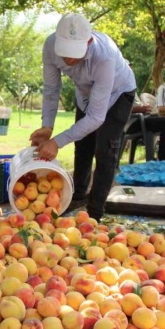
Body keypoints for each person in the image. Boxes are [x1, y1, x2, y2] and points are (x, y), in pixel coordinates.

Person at [29, 13, 137, 221]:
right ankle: (78, 195)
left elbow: (97, 118)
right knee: (83, 144)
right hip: (86, 93)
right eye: (65, 52)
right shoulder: (50, 46)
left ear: (88, 41)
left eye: (74, 53)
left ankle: (95, 212)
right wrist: (47, 127)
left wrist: (56, 142)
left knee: (105, 149)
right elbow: (51, 88)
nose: (69, 59)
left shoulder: (104, 56)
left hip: (119, 93)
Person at [127, 93, 165, 162]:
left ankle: (161, 156)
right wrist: (140, 109)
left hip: (144, 117)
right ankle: (163, 160)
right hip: (133, 121)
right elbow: (117, 108)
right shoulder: (120, 87)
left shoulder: (131, 87)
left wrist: (146, 108)